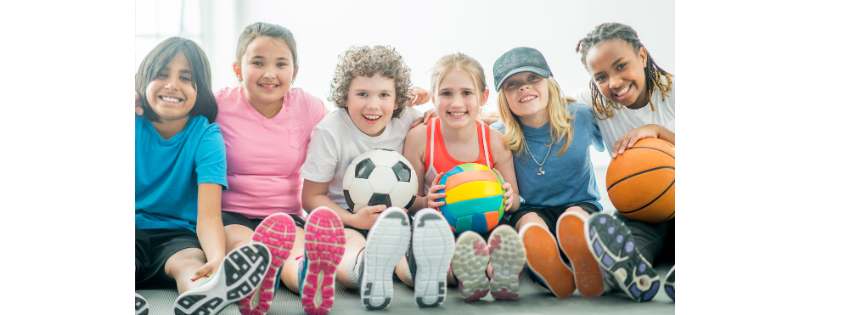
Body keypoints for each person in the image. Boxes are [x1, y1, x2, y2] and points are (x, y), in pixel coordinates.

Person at [134, 23, 433, 315]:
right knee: (250, 248)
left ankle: (308, 278)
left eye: (280, 64)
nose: (269, 73)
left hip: (286, 216)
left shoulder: (309, 107)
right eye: (257, 62)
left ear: (294, 72)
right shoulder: (218, 104)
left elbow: (354, 122)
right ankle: (256, 280)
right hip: (233, 215)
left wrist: (409, 104)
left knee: (295, 252)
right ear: (238, 70)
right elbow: (174, 103)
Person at [301, 45, 454, 310]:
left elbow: (456, 123)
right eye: (362, 94)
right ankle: (364, 268)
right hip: (345, 218)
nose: (373, 105)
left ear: (397, 101)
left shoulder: (408, 120)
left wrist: (437, 116)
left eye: (384, 94)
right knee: (349, 244)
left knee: (403, 245)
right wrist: (352, 219)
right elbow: (311, 197)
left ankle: (419, 275)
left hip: (395, 219)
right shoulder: (330, 131)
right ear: (344, 97)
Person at [134, 37, 270, 315]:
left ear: (200, 89)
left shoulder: (207, 135)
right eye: (162, 75)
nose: (172, 84)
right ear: (142, 81)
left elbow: (208, 215)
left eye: (186, 78)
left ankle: (202, 294)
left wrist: (217, 256)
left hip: (177, 234)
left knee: (190, 262)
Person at [402, 52, 523, 302]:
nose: (456, 103)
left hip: (486, 225)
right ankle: (463, 271)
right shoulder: (420, 138)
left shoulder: (495, 142)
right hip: (439, 226)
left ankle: (499, 273)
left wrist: (510, 198)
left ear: (483, 97)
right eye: (446, 94)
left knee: (500, 236)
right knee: (423, 246)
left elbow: (517, 201)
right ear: (434, 98)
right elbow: (409, 200)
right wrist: (426, 202)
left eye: (466, 93)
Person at [490, 47, 607, 298]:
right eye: (513, 84)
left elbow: (615, 141)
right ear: (504, 97)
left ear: (550, 83)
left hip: (580, 203)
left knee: (575, 218)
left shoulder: (581, 117)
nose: (524, 87)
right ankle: (550, 268)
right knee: (529, 226)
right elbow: (466, 131)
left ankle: (585, 258)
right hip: (529, 208)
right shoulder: (498, 135)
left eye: (533, 78)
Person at [573, 22, 676, 302]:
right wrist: (477, 117)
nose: (614, 82)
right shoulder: (597, 103)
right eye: (601, 76)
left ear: (642, 56)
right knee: (627, 236)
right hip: (644, 209)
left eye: (621, 66)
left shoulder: (676, 90)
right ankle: (631, 273)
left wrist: (658, 132)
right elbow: (544, 104)